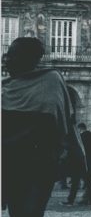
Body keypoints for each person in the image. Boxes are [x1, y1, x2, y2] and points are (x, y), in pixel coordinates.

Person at [2, 36, 83, 217]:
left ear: (29, 59)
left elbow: (62, 122)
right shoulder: (5, 87)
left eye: (12, 55)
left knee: (31, 212)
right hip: (10, 164)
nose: (6, 59)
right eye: (7, 55)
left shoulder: (50, 81)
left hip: (39, 164)